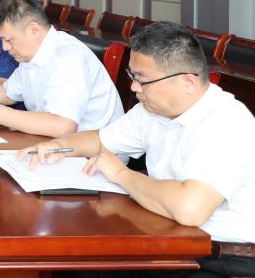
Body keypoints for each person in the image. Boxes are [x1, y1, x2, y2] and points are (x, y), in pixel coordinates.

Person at [22, 22, 255, 278]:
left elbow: (190, 209)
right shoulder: (152, 111)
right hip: (172, 238)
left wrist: (120, 173)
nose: (134, 88)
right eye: (132, 76)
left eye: (142, 79)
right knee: (72, 261)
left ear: (188, 82)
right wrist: (59, 146)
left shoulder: (228, 123)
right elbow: (100, 140)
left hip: (222, 261)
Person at [0, 0, 123, 137]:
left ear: (34, 30)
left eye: (8, 40)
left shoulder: (68, 57)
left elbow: (63, 126)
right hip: (55, 144)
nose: (5, 47)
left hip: (95, 157)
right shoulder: (32, 52)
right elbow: (7, 93)